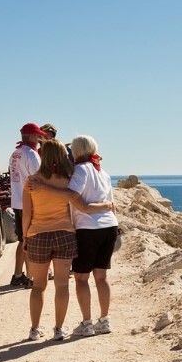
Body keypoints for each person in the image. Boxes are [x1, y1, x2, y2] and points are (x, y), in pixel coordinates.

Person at [22, 140, 112, 341]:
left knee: (38, 285)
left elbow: (26, 214)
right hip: (64, 235)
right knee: (62, 285)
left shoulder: (32, 181)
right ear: (64, 155)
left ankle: (35, 329)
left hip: (37, 234)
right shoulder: (68, 180)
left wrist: (25, 236)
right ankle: (59, 329)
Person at [64, 135, 117, 335]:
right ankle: (104, 320)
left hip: (88, 228)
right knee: (102, 277)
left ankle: (86, 324)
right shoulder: (102, 171)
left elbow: (71, 194)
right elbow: (111, 204)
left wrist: (85, 208)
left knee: (81, 278)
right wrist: (101, 207)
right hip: (109, 226)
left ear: (76, 151)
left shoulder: (81, 169)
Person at [6, 122, 44, 288]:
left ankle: (17, 274)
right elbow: (38, 180)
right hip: (30, 202)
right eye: (37, 135)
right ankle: (31, 277)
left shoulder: (15, 153)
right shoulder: (32, 155)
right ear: (30, 136)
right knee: (30, 241)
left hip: (17, 201)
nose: (40, 137)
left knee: (23, 240)